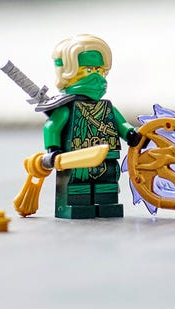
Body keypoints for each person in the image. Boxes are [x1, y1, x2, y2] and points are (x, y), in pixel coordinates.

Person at [39, 34, 141, 219]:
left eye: (99, 70)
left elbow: (121, 123)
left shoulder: (106, 107)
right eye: (88, 70)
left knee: (107, 185)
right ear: (68, 73)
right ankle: (76, 207)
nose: (96, 76)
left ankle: (107, 206)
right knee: (78, 186)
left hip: (107, 157)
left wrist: (130, 134)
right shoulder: (67, 107)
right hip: (77, 159)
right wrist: (53, 150)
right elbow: (52, 127)